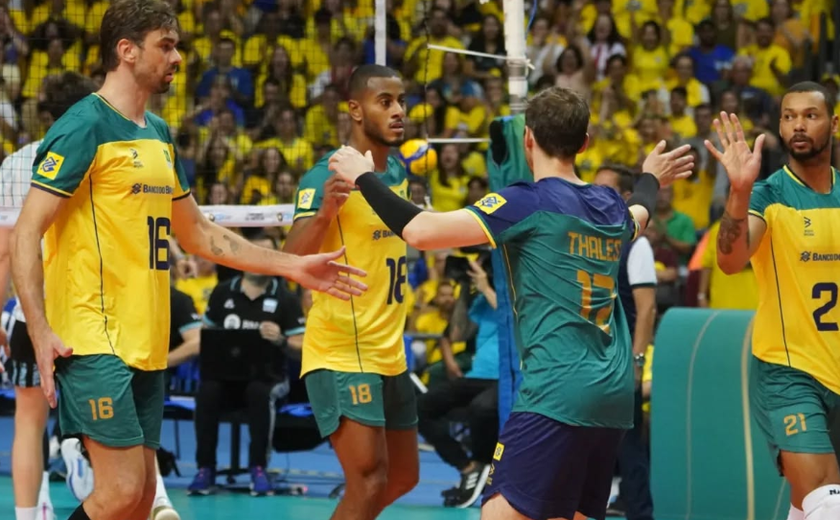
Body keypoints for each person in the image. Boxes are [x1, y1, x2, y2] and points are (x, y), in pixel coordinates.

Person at [9, 3, 367, 520]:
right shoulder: (84, 124)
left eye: (177, 44)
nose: (178, 57)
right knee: (121, 491)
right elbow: (26, 234)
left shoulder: (156, 131)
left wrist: (291, 266)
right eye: (166, 45)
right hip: (91, 338)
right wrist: (40, 332)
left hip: (148, 342)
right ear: (126, 51)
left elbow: (198, 233)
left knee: (136, 502)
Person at [328, 85, 693, 520]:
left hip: (557, 390)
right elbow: (641, 212)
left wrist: (361, 176)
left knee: (500, 513)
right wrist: (650, 176)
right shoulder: (610, 205)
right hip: (611, 397)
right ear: (584, 145)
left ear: (528, 140)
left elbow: (421, 232)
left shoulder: (527, 201)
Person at [282, 63, 418, 520]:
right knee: (368, 479)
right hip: (343, 347)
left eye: (402, 101)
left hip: (390, 349)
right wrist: (323, 215)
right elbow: (290, 262)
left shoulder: (396, 169)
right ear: (355, 110)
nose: (399, 111)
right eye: (386, 102)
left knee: (403, 477)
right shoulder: (326, 174)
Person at [710, 82, 840, 520]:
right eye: (789, 116)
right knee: (829, 500)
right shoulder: (768, 195)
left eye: (810, 115)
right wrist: (739, 191)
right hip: (789, 371)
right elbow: (729, 261)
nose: (798, 124)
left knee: (809, 506)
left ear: (834, 123)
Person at [0, 71, 94, 520]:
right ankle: (76, 450)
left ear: (44, 115)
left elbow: (4, 252)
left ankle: (24, 515)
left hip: (27, 315)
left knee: (27, 420)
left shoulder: (16, 163)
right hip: (86, 314)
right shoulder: (101, 156)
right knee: (97, 415)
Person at [190, 232, 306, 496]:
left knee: (259, 393)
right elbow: (205, 335)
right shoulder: (222, 293)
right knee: (207, 392)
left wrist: (281, 340)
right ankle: (205, 470)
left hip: (269, 379)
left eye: (267, 253)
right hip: (225, 377)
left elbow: (302, 348)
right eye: (255, 252)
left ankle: (258, 469)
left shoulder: (285, 299)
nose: (260, 259)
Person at [593, 165, 657, 520]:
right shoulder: (590, 238)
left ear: (627, 199)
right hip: (591, 362)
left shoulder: (638, 246)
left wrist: (636, 363)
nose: (596, 195)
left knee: (629, 449)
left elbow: (646, 311)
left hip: (622, 364)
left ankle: (640, 513)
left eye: (606, 190)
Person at [418, 256, 500, 509]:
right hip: (477, 375)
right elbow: (456, 333)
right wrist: (464, 289)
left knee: (481, 408)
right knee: (421, 408)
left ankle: (482, 461)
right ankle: (467, 467)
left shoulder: (517, 296)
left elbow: (515, 318)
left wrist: (486, 288)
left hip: (506, 377)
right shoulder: (480, 303)